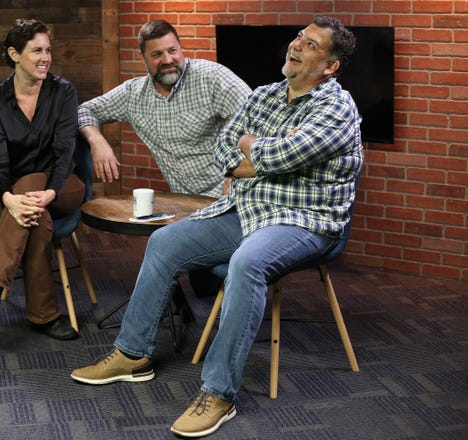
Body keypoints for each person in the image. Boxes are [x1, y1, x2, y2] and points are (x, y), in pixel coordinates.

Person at [71, 16, 362, 438]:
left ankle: (219, 392)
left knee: (247, 263)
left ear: (330, 65)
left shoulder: (337, 107)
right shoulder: (265, 96)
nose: (297, 46)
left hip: (307, 220)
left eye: (313, 45)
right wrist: (257, 151)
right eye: (299, 37)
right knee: (166, 240)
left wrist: (256, 150)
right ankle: (131, 354)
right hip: (249, 208)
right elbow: (225, 152)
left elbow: (280, 157)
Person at [79, 19, 252, 300]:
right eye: (157, 54)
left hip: (228, 200)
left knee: (179, 261)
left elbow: (258, 119)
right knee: (197, 280)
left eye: (173, 50)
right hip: (184, 206)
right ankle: (172, 305)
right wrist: (98, 141)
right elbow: (85, 111)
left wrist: (235, 174)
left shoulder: (212, 77)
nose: (168, 60)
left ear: (181, 48)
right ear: (143, 58)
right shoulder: (133, 94)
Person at [0, 19, 85, 341]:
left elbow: (65, 154)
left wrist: (51, 192)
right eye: (36, 51)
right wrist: (8, 199)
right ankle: (44, 316)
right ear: (14, 54)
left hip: (62, 186)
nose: (45, 58)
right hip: (10, 190)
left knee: (33, 191)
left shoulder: (62, 92)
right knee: (36, 222)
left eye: (48, 50)